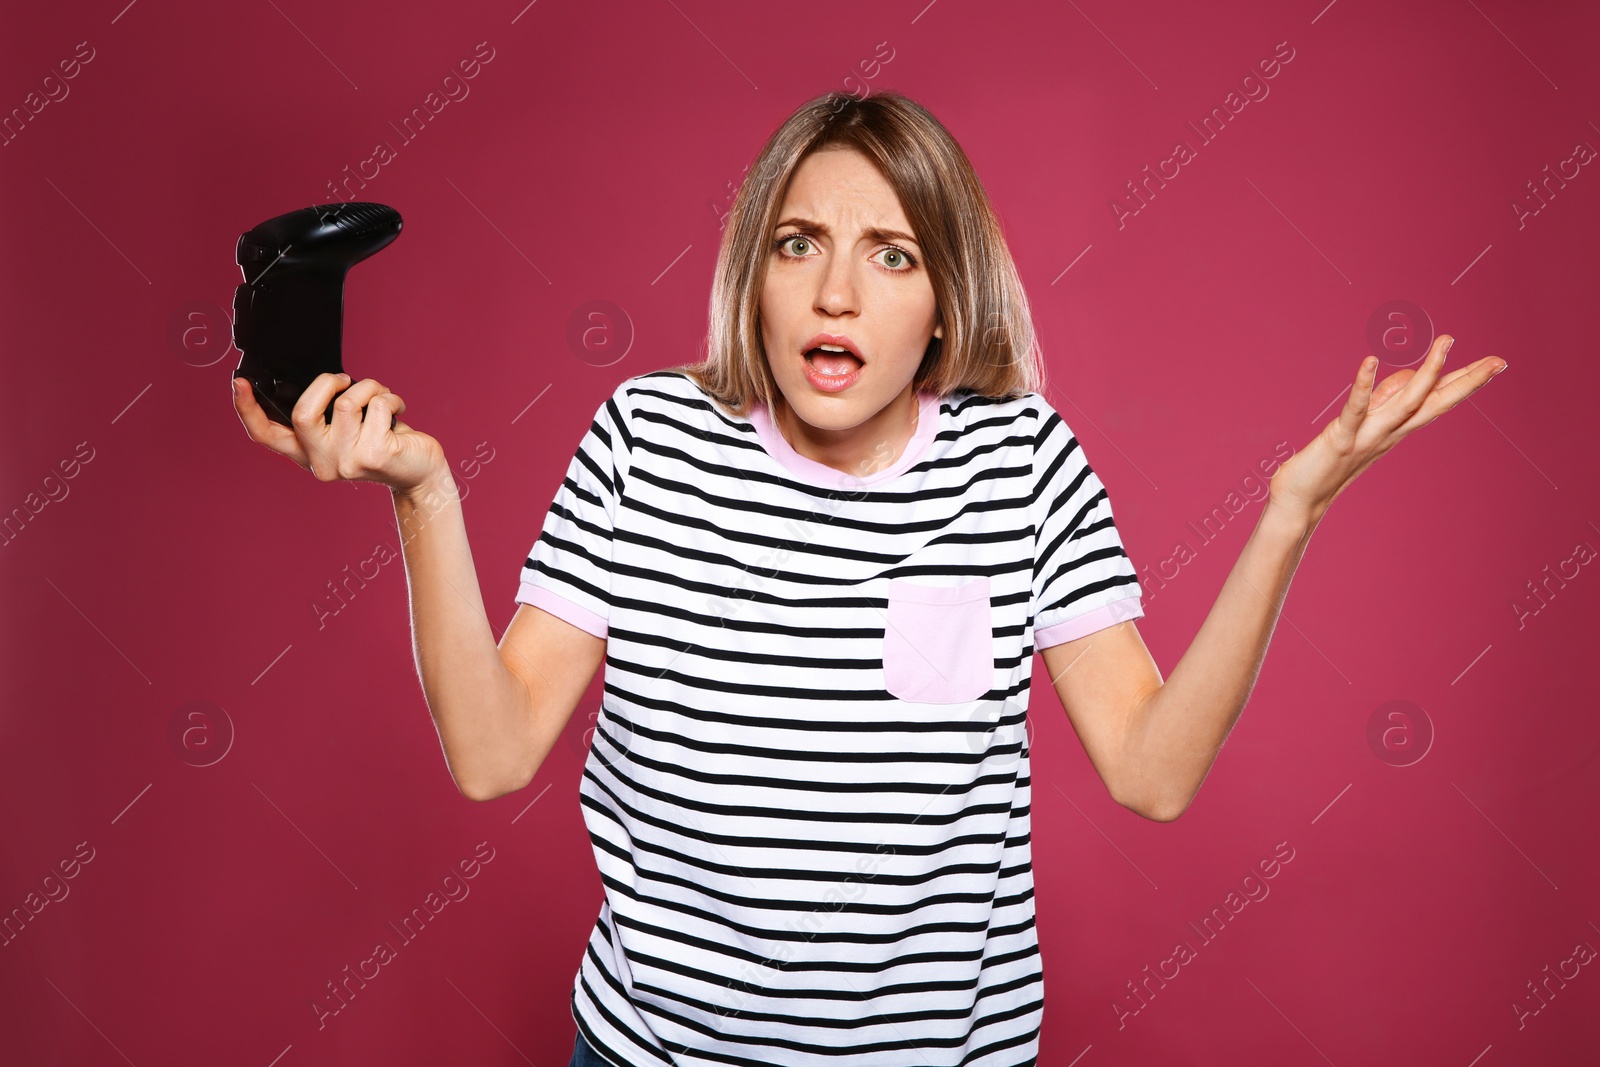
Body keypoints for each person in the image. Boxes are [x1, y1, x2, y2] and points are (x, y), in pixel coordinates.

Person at [232, 90, 1506, 1067]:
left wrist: (1286, 514)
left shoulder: (1019, 464)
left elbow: (1151, 770)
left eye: (892, 254)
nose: (837, 289)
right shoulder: (646, 439)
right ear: (756, 272)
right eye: (799, 244)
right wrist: (425, 494)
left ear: (947, 303)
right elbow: (496, 749)